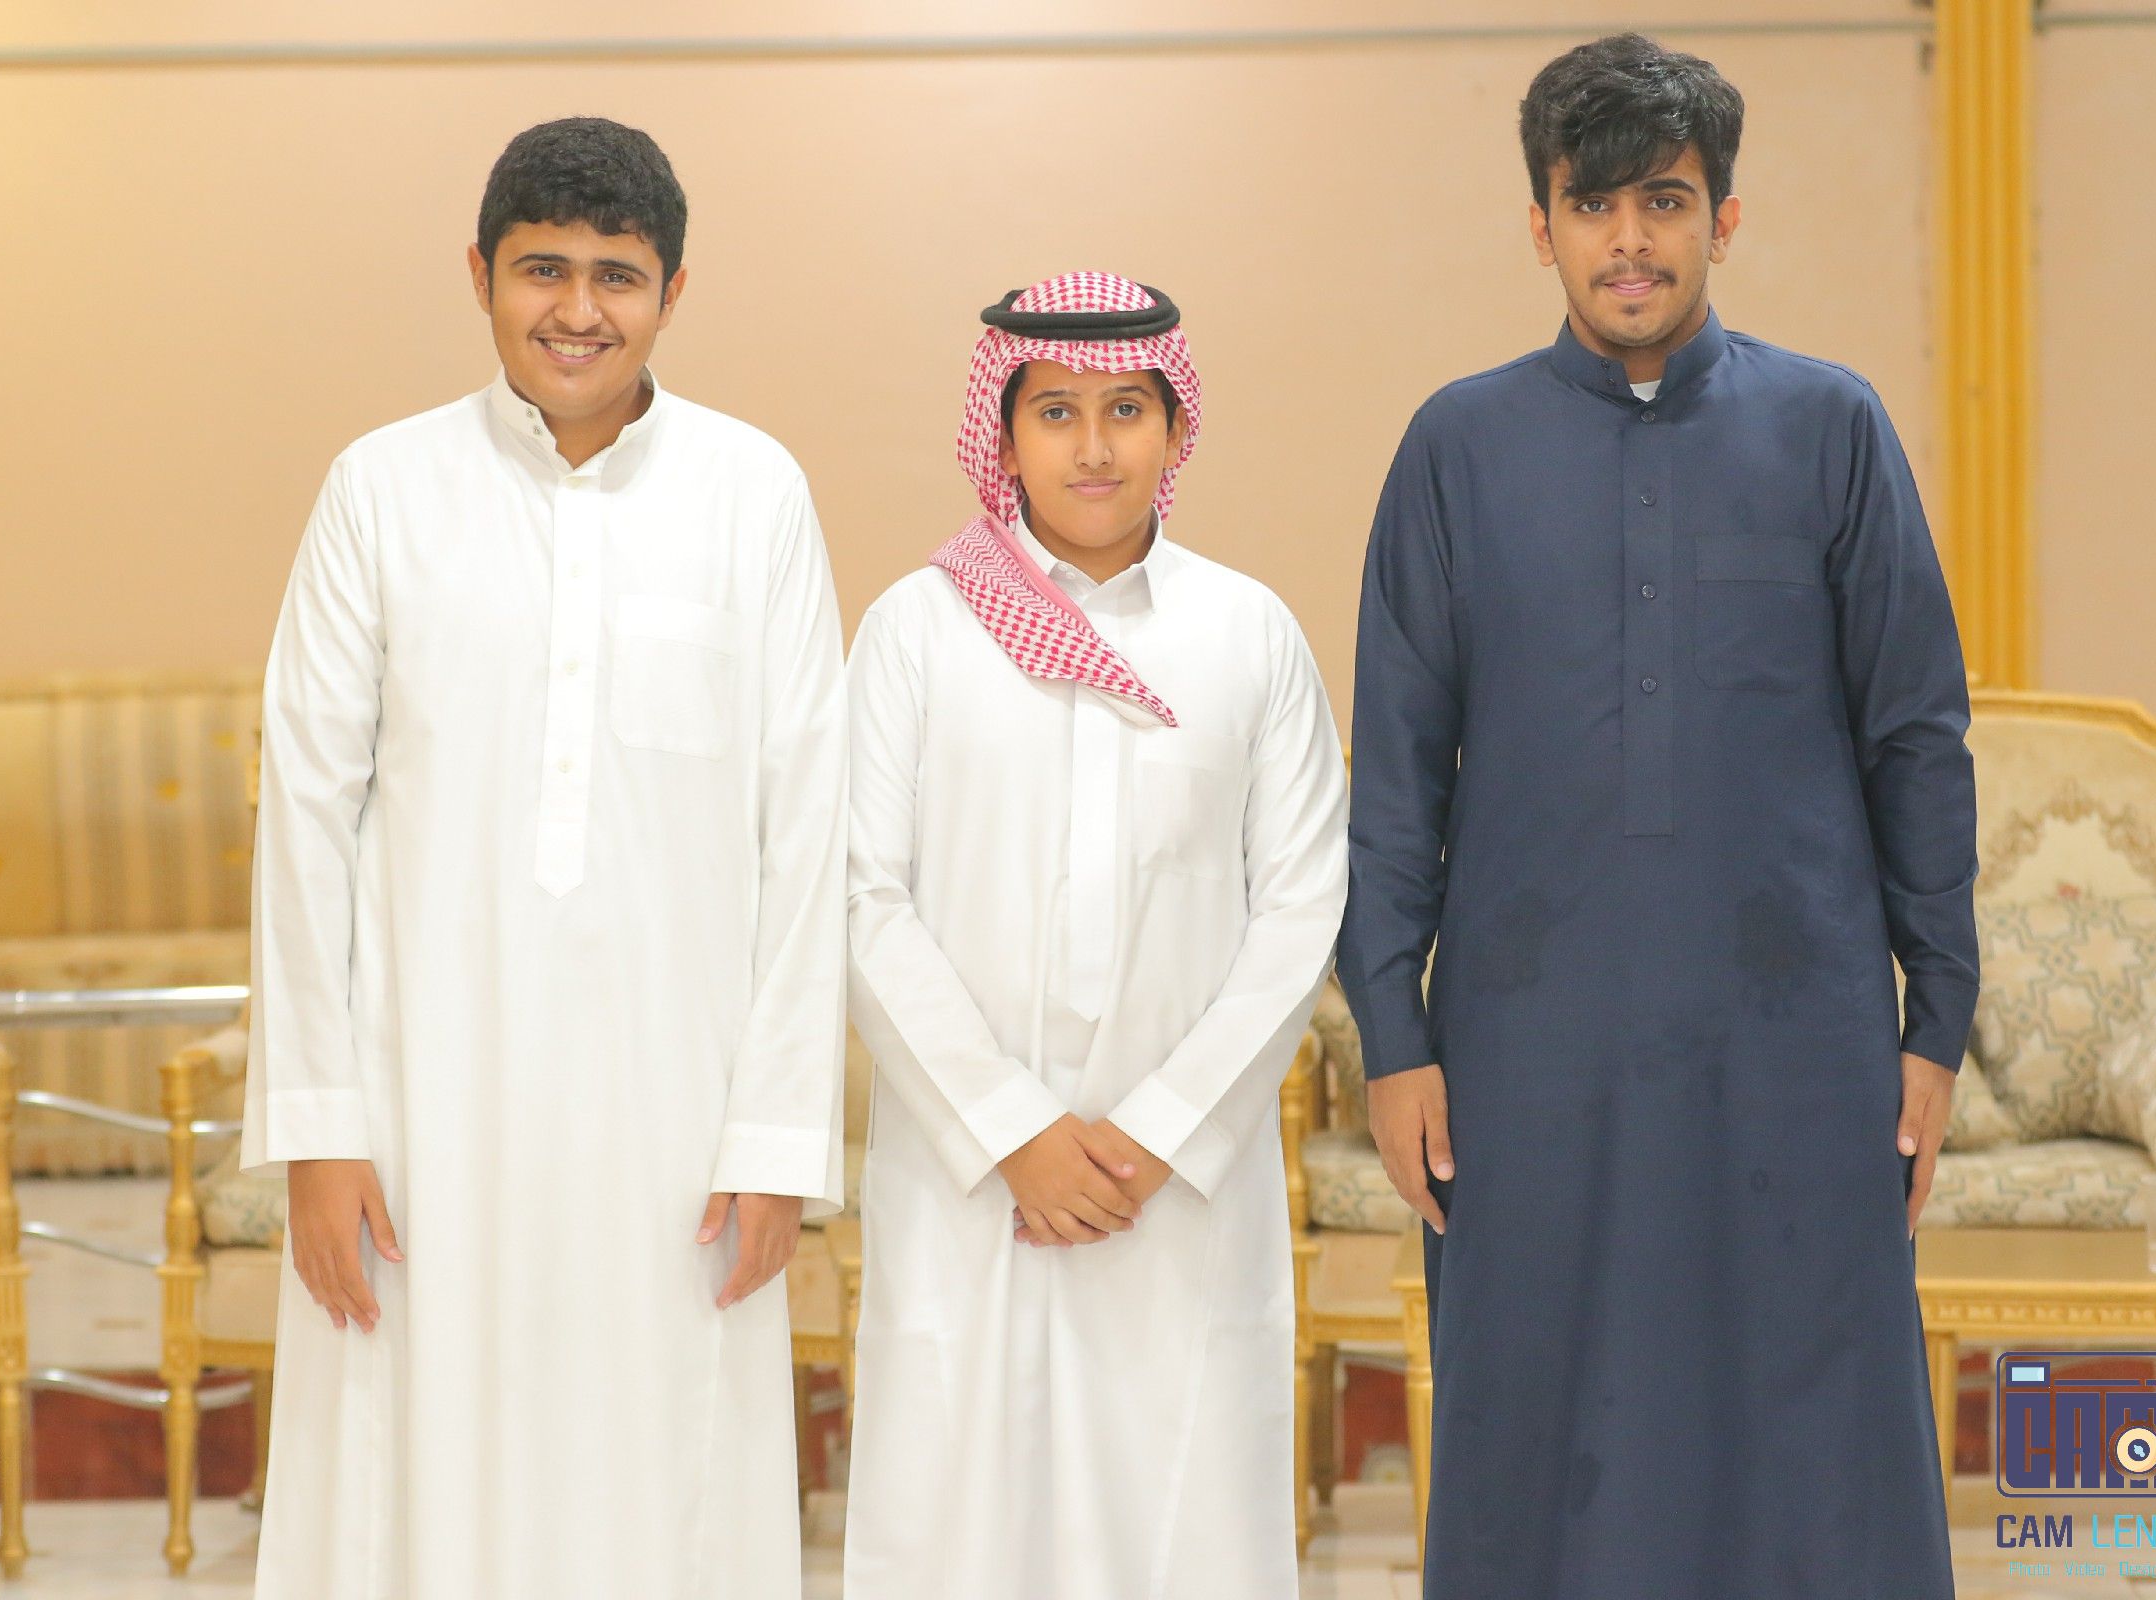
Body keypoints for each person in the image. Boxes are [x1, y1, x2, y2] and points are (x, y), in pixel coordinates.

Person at [1340, 35, 1976, 1599]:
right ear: (1540, 226)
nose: (1630, 241)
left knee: (1815, 1425)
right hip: (1529, 1050)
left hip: (1797, 1039)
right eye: (1594, 204)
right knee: (1536, 1412)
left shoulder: (1831, 429)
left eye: (1666, 202)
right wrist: (1395, 1037)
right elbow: (1399, 768)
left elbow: (1917, 738)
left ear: (1725, 219)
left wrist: (1937, 1022)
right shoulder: (1455, 450)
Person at [242, 116, 847, 1598]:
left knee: (664, 1480)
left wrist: (775, 1140)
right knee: (414, 1474)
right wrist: (319, 1129)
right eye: (543, 270)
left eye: (617, 276)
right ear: (480, 275)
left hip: (677, 1119)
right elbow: (305, 816)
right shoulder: (381, 489)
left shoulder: (753, 493)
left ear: (673, 292)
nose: (578, 310)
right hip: (418, 1111)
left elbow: (806, 831)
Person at [841, 272, 1348, 1600]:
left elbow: (1301, 907)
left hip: (1175, 1187)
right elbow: (860, 899)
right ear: (1002, 434)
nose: (1094, 446)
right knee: (963, 1527)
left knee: (1178, 1523)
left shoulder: (1248, 632)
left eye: (1127, 409)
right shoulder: (914, 632)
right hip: (970, 1177)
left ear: (1176, 429)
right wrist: (1012, 1129)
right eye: (1055, 411)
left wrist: (1160, 1132)